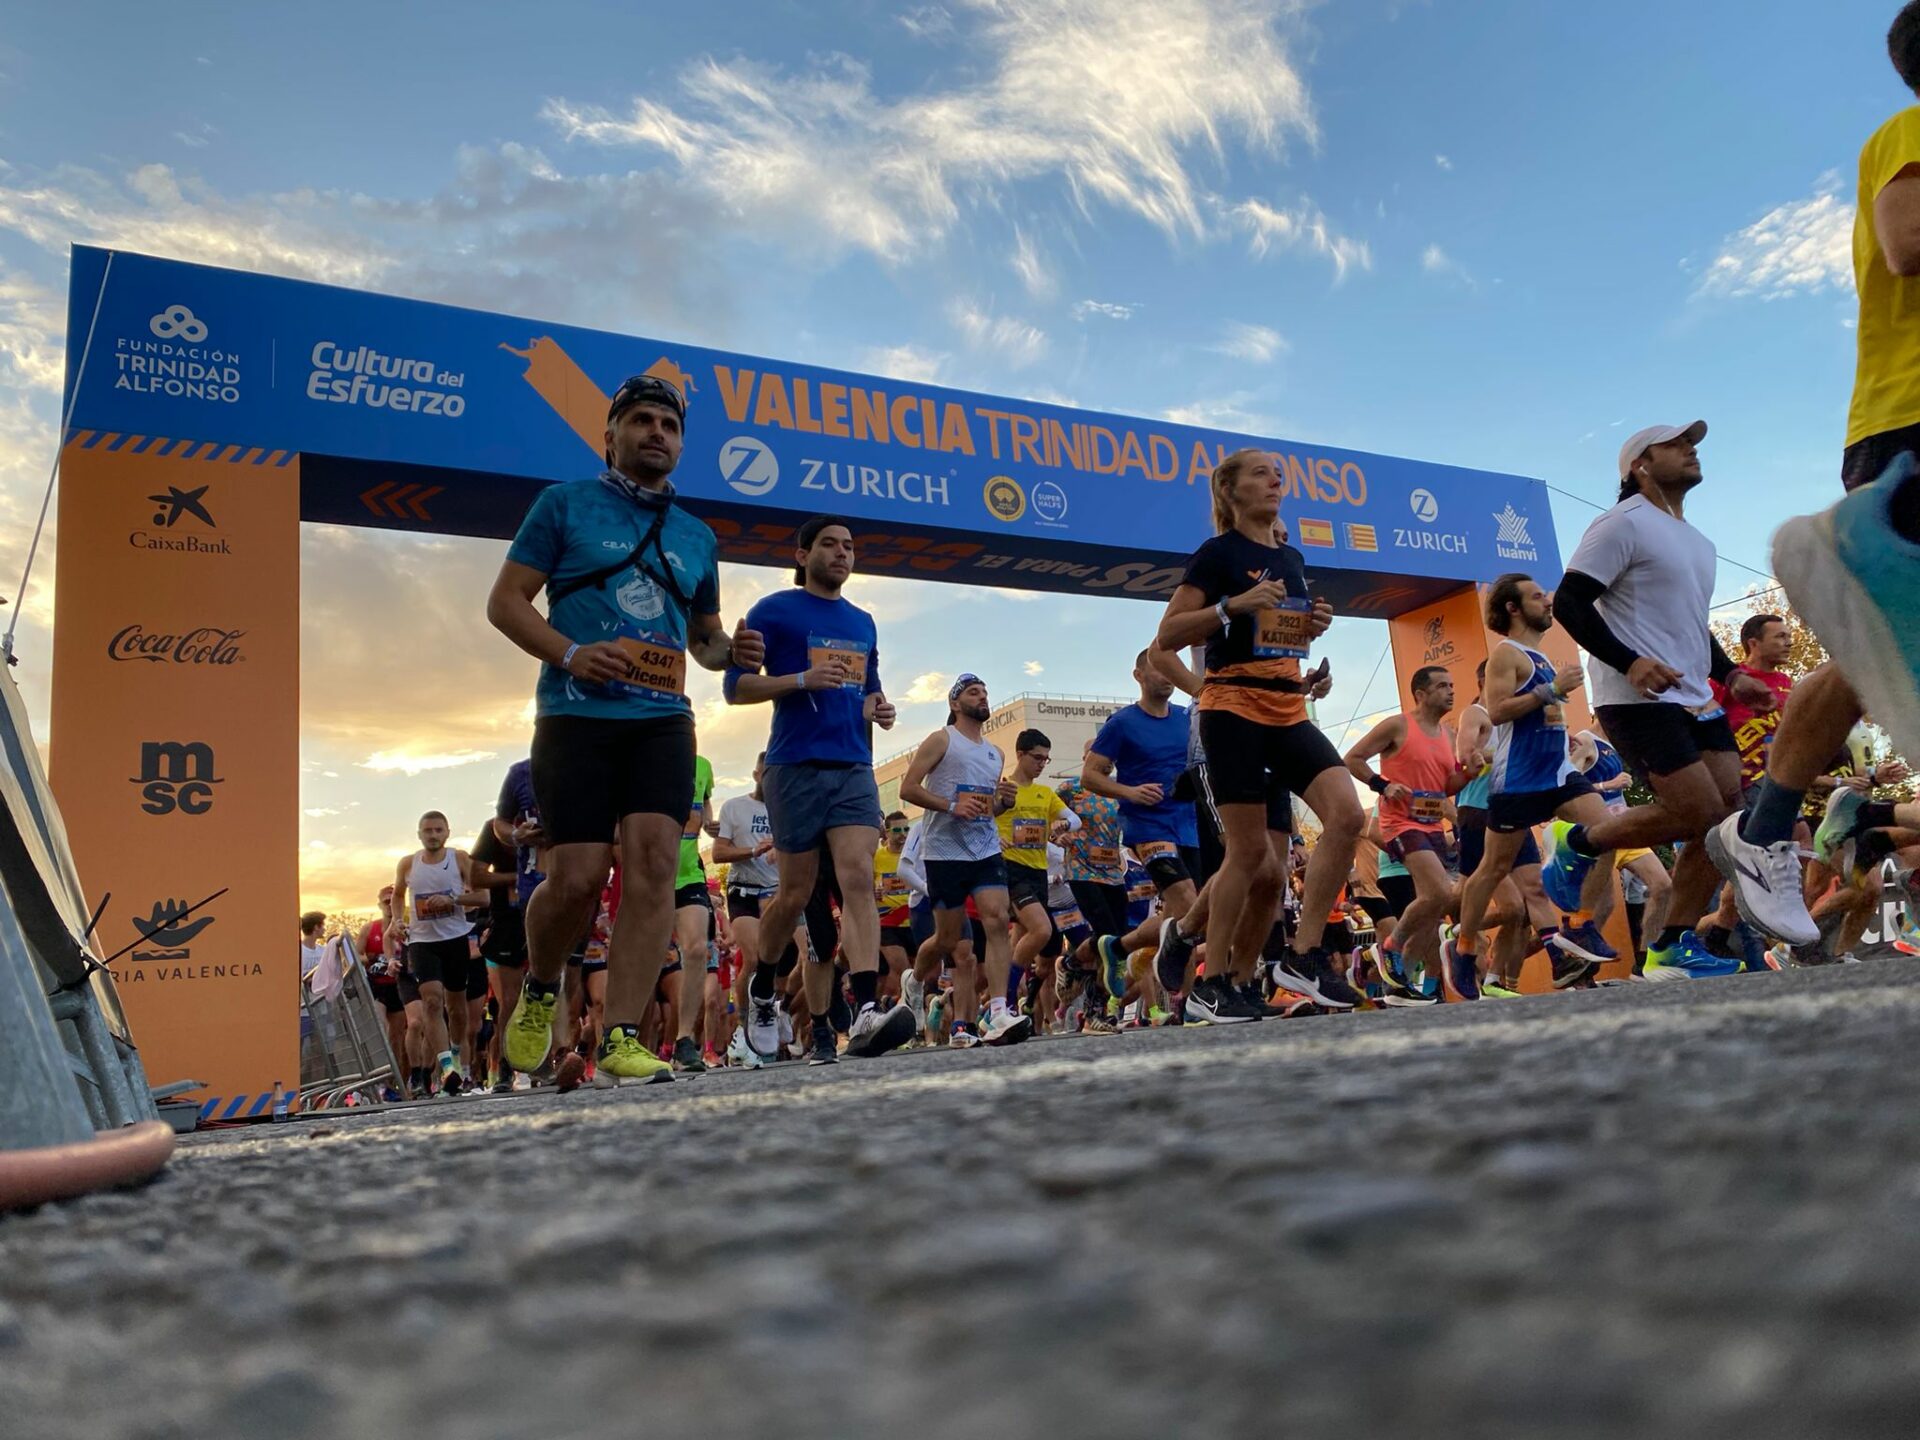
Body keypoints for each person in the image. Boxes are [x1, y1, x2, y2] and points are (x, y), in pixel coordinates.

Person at [487, 371, 765, 1087]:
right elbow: (506, 603)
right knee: (578, 878)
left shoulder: (697, 536)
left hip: (663, 720)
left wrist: (732, 652)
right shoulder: (563, 504)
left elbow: (704, 641)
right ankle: (541, 983)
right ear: (610, 436)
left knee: (653, 867)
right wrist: (571, 654)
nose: (656, 434)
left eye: (669, 426)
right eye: (642, 421)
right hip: (575, 714)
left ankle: (620, 1036)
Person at [1726, 5, 1920, 934]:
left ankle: (1783, 823)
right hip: (1908, 417)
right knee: (1868, 649)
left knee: (1872, 653)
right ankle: (1768, 826)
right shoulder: (1912, 131)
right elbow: (1907, 244)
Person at [1550, 421, 1780, 978]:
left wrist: (1731, 675)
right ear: (1640, 465)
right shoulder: (1620, 524)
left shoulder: (1699, 542)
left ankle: (1673, 945)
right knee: (1700, 814)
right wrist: (1629, 661)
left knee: (1725, 822)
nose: (1690, 450)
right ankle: (1581, 840)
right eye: (1675, 444)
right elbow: (1569, 602)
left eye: (1692, 442)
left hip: (1697, 696)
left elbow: (1691, 627)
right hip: (1635, 697)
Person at [1155, 447, 1362, 1016]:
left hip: (1287, 708)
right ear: (1230, 490)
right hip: (1232, 710)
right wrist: (1233, 605)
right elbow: (1167, 635)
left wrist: (1311, 630)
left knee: (1348, 816)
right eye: (1260, 473)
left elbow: (1277, 638)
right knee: (1250, 857)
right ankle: (1213, 982)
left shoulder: (1291, 557)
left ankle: (1303, 954)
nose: (1276, 480)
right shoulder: (1216, 554)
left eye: (1279, 473)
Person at [724, 515, 914, 1065]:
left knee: (858, 877)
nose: (842, 553)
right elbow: (736, 688)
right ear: (803, 554)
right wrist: (800, 681)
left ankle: (866, 1007)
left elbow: (869, 688)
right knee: (793, 893)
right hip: (793, 767)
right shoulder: (773, 610)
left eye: (849, 546)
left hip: (852, 766)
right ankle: (764, 985)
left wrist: (879, 709)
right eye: (829, 544)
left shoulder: (863, 621)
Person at [1450, 575, 1618, 992]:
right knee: (1492, 869)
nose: (1547, 602)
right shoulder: (1505, 654)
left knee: (1609, 833)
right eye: (1537, 597)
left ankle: (1580, 924)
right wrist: (1551, 691)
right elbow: (1498, 711)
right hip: (1518, 782)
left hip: (1558, 773)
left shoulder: (1540, 656)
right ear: (1512, 608)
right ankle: (1464, 946)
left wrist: (1563, 734)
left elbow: (1542, 713)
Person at [898, 674, 1031, 1047]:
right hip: (944, 851)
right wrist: (950, 805)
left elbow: (988, 809)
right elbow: (908, 789)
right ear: (955, 703)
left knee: (998, 918)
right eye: (974, 692)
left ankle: (1000, 1010)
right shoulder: (942, 739)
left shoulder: (995, 753)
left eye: (985, 692)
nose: (982, 697)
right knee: (947, 938)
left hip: (985, 848)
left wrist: (1004, 802)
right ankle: (914, 980)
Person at [1345, 667, 1468, 996]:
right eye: (1442, 686)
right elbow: (1352, 758)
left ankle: (1397, 983)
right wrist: (1382, 785)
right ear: (1420, 694)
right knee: (1440, 892)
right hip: (1400, 823)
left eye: (1452, 685)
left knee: (1433, 911)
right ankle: (1389, 947)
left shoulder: (1448, 735)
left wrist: (1470, 772)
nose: (1450, 691)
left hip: (1432, 825)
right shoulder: (1398, 726)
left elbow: (1447, 786)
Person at [388, 811, 486, 1095]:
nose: (433, 835)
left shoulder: (459, 859)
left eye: (438, 830)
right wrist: (397, 920)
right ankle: (447, 1068)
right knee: (431, 1002)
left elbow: (483, 897)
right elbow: (397, 895)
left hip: (455, 939)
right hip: (422, 942)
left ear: (447, 833)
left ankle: (456, 1056)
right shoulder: (408, 863)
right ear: (419, 834)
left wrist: (453, 899)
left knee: (456, 1009)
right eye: (428, 830)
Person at [996, 729, 1079, 1002]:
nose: (1042, 764)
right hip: (1011, 869)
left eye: (1046, 759)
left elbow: (1075, 820)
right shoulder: (1004, 788)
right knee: (1041, 929)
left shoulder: (1045, 793)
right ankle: (1006, 999)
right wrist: (996, 838)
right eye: (1037, 757)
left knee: (1029, 940)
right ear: (1020, 755)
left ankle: (1002, 1002)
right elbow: (981, 821)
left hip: (1038, 872)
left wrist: (1063, 824)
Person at [714, 753, 782, 1067]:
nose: (772, 780)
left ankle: (778, 1013)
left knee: (793, 957)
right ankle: (744, 1029)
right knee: (753, 958)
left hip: (777, 893)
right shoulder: (734, 807)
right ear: (756, 775)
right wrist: (754, 850)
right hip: (743, 891)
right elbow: (718, 853)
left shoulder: (787, 809)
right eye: (766, 774)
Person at [666, 750, 719, 1072]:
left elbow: (705, 801)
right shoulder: (643, 758)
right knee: (646, 959)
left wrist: (709, 822)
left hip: (689, 876)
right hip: (650, 877)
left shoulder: (702, 766)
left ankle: (684, 1040)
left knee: (697, 949)